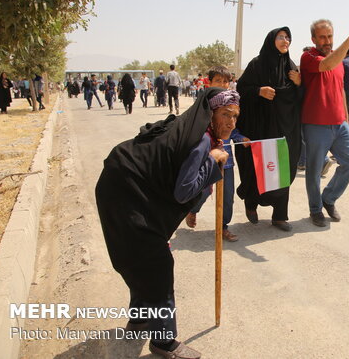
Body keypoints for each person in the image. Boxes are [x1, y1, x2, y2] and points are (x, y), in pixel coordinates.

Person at [96, 87, 238, 359]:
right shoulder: (201, 142)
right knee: (156, 265)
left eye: (235, 116)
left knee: (141, 259)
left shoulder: (196, 130)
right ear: (210, 114)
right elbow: (184, 190)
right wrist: (211, 160)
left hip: (120, 186)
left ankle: (139, 320)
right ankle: (163, 341)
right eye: (225, 114)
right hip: (126, 195)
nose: (231, 122)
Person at [300, 17, 349, 227]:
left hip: (340, 123)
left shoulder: (338, 60)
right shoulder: (308, 56)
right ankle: (315, 210)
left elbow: (340, 89)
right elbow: (325, 65)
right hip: (316, 124)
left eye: (329, 36)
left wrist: (346, 117)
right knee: (314, 170)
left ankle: (328, 199)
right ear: (313, 39)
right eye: (322, 37)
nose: (327, 40)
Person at [235, 27, 302, 232]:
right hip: (259, 127)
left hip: (284, 129)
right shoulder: (257, 64)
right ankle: (251, 203)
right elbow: (241, 89)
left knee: (282, 168)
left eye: (288, 37)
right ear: (271, 40)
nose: (285, 41)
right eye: (281, 37)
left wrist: (299, 84)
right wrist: (259, 91)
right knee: (257, 167)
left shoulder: (291, 67)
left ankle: (280, 216)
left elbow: (297, 99)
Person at [185, 67, 249, 240]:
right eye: (218, 81)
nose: (222, 84)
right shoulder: (202, 105)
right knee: (203, 192)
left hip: (226, 161)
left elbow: (231, 127)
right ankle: (192, 209)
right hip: (206, 159)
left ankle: (223, 227)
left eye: (225, 81)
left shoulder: (231, 102)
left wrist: (240, 138)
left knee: (227, 197)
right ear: (209, 82)